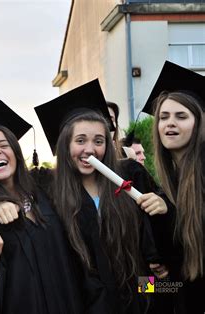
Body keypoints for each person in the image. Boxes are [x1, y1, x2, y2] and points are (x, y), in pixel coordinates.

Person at [0, 92, 87, 314]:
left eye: (3, 145)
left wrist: (153, 285)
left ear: (15, 151)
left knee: (154, 288)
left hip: (69, 302)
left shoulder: (47, 191)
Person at [34, 80, 163, 314]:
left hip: (140, 294)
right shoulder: (48, 190)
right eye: (80, 140)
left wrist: (159, 287)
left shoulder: (132, 176)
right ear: (65, 145)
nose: (90, 149)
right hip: (83, 302)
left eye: (99, 141)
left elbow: (155, 261)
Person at [142, 61, 205, 314]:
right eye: (164, 117)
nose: (170, 123)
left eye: (181, 116)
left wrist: (169, 213)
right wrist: (150, 281)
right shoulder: (164, 187)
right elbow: (173, 283)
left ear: (198, 124)